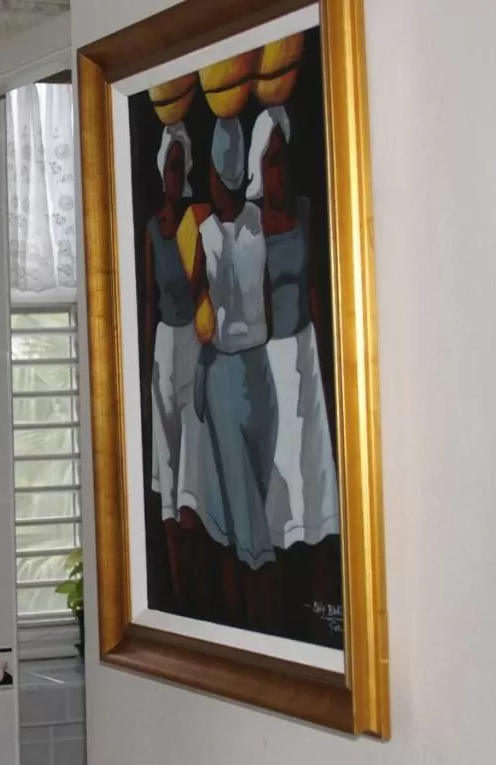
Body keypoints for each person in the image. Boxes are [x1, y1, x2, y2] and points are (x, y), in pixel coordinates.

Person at [191, 117, 279, 624]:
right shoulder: (212, 230)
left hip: (254, 371)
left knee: (254, 504)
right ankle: (254, 625)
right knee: (245, 516)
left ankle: (251, 624)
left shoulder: (244, 224)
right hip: (229, 374)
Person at [248, 106, 339, 551]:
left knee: (311, 457)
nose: (280, 170)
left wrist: (326, 352)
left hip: (306, 349)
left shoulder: (304, 211)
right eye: (272, 160)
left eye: (284, 158)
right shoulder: (251, 225)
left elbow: (316, 288)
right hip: (271, 356)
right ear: (258, 166)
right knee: (282, 461)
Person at [143, 123, 200, 602]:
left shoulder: (195, 226)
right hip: (164, 343)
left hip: (193, 345)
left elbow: (204, 290)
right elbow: (148, 299)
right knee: (166, 461)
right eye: (169, 167)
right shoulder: (151, 230)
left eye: (181, 168)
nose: (174, 177)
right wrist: (145, 364)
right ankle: (178, 587)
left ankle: (197, 585)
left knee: (193, 466)